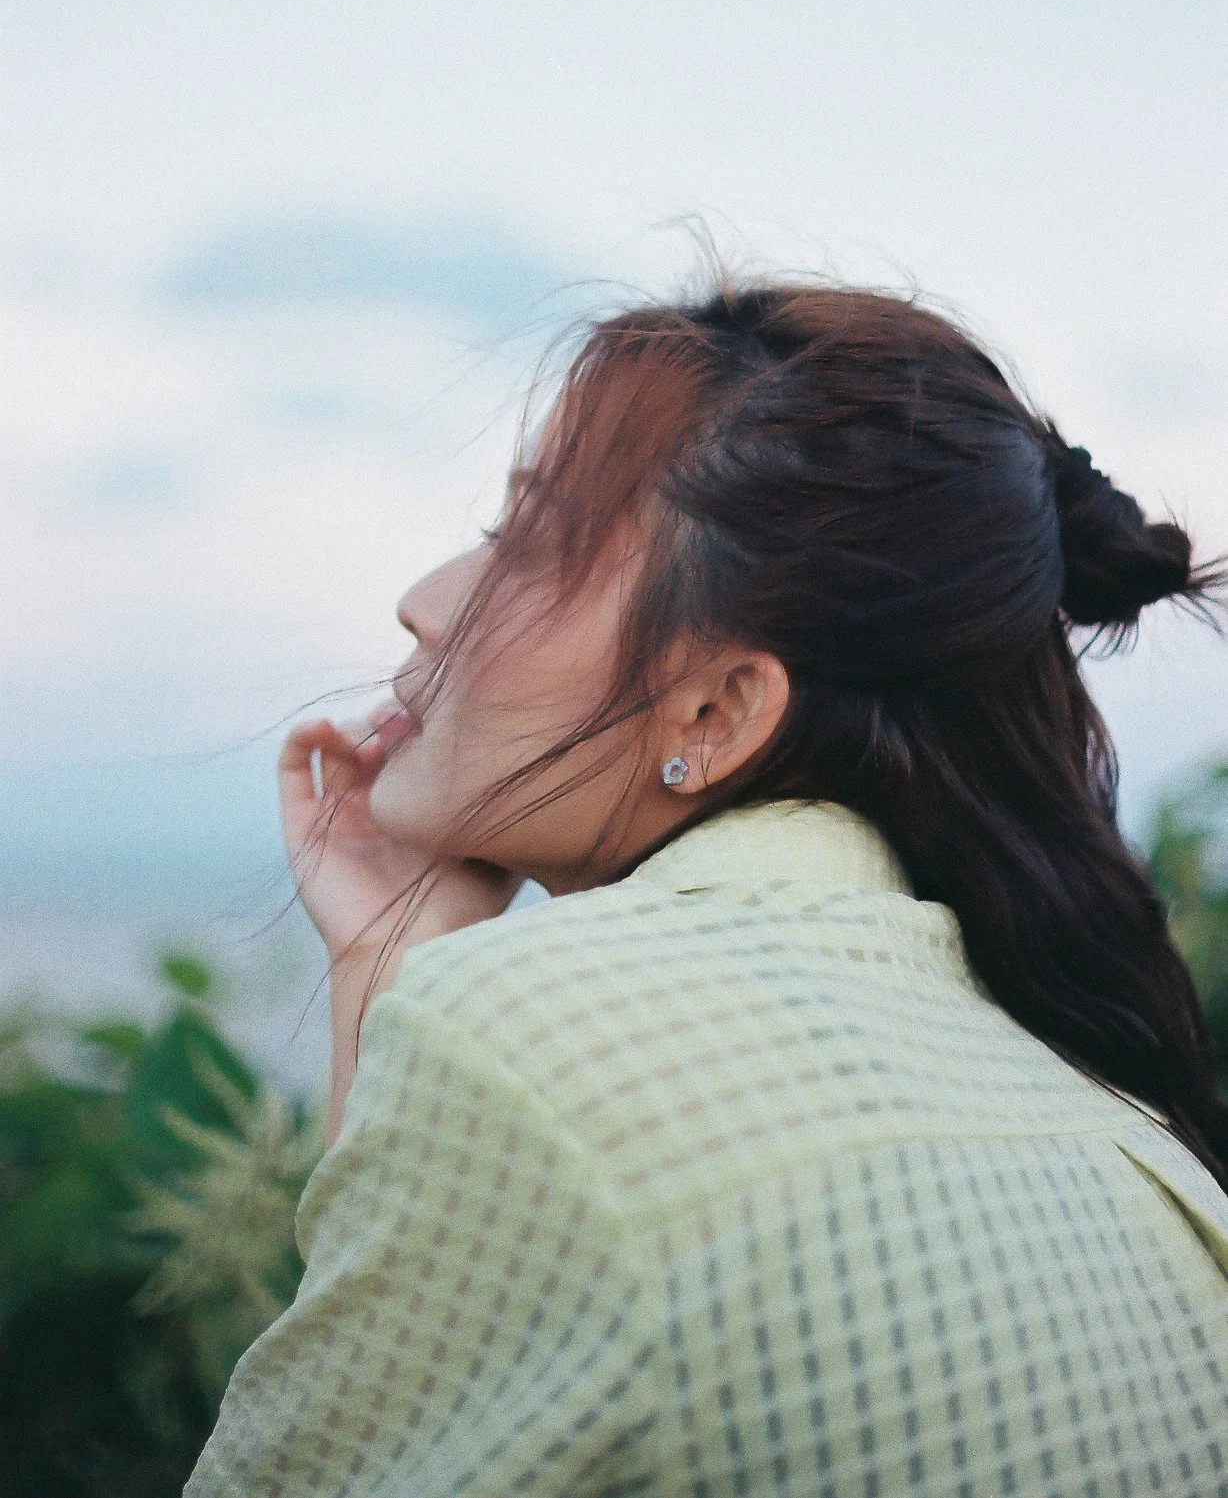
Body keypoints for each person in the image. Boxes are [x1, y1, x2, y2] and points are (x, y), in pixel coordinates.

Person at [187, 282, 1228, 1497]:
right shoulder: (1122, 1132)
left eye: (527, 546)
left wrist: (423, 992)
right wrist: (387, 959)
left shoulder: (529, 1039)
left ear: (718, 711)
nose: (421, 599)